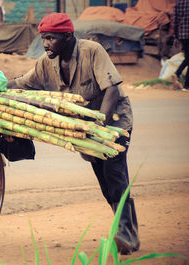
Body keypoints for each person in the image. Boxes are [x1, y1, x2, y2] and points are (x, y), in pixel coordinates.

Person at [7, 12, 139, 255]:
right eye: (43, 38)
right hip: (86, 127)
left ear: (67, 36)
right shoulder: (46, 62)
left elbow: (111, 89)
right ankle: (125, 228)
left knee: (114, 173)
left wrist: (101, 125)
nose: (45, 44)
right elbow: (22, 83)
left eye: (51, 38)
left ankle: (126, 233)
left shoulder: (92, 50)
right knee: (104, 179)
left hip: (114, 122)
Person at [171, 0, 189, 91]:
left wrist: (176, 37)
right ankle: (184, 81)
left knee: (188, 57)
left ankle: (183, 81)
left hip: (182, 35)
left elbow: (175, 22)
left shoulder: (179, 3)